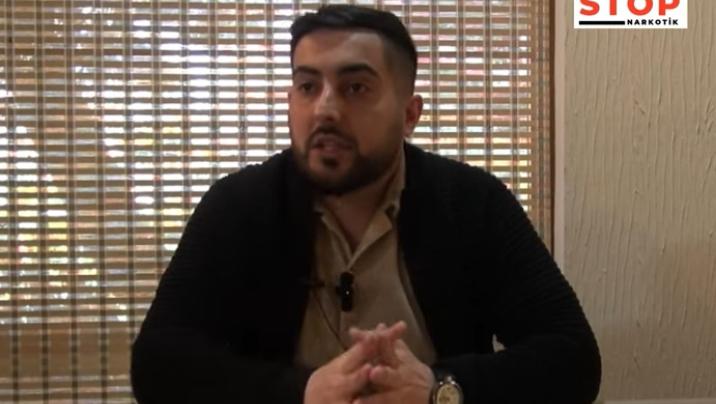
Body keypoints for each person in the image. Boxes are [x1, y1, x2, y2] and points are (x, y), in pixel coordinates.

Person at [131, 5, 601, 404]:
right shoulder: (239, 206)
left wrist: (439, 388)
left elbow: (573, 358)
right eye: (307, 86)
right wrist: (302, 392)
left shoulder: (472, 203)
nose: (325, 109)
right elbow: (158, 364)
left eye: (355, 87)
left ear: (410, 114)